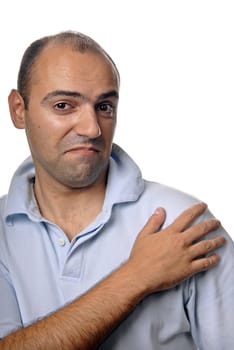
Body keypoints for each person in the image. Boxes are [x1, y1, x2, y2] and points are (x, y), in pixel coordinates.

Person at [0, 31, 233, 350]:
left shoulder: (184, 225)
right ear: (18, 109)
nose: (92, 128)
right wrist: (137, 277)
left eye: (105, 106)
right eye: (64, 105)